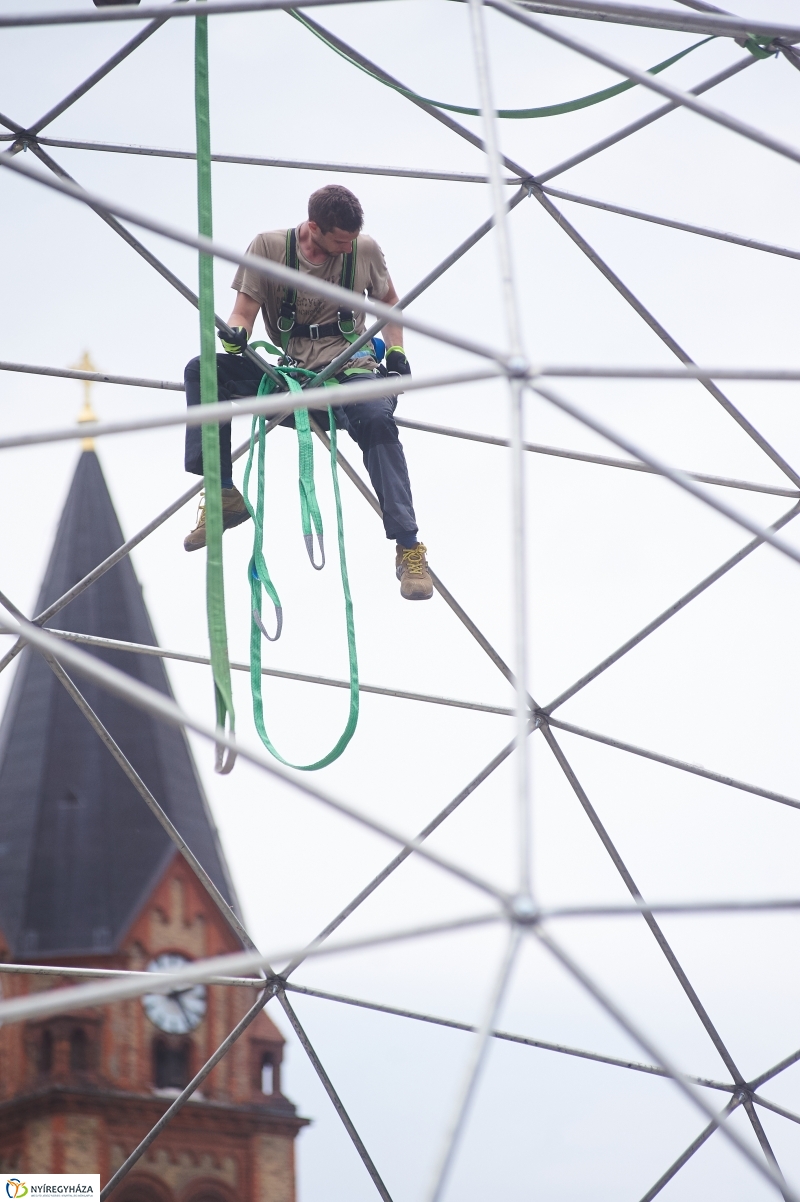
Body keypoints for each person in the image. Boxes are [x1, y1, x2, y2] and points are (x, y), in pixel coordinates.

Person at [183, 183, 433, 602]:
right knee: (204, 371)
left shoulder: (363, 250)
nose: (346, 248)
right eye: (339, 241)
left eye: (352, 241)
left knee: (376, 421)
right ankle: (223, 492)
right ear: (314, 228)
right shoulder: (268, 249)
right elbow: (243, 312)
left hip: (350, 367)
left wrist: (396, 351)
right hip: (293, 373)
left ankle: (408, 545)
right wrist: (237, 336)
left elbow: (388, 301)